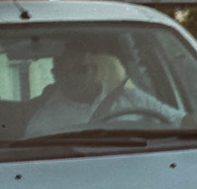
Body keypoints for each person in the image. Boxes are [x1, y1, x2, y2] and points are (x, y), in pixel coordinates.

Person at [24, 42, 177, 136]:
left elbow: (178, 119)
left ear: (94, 70)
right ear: (55, 75)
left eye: (80, 70)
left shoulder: (131, 98)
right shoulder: (45, 119)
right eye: (64, 73)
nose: (73, 78)